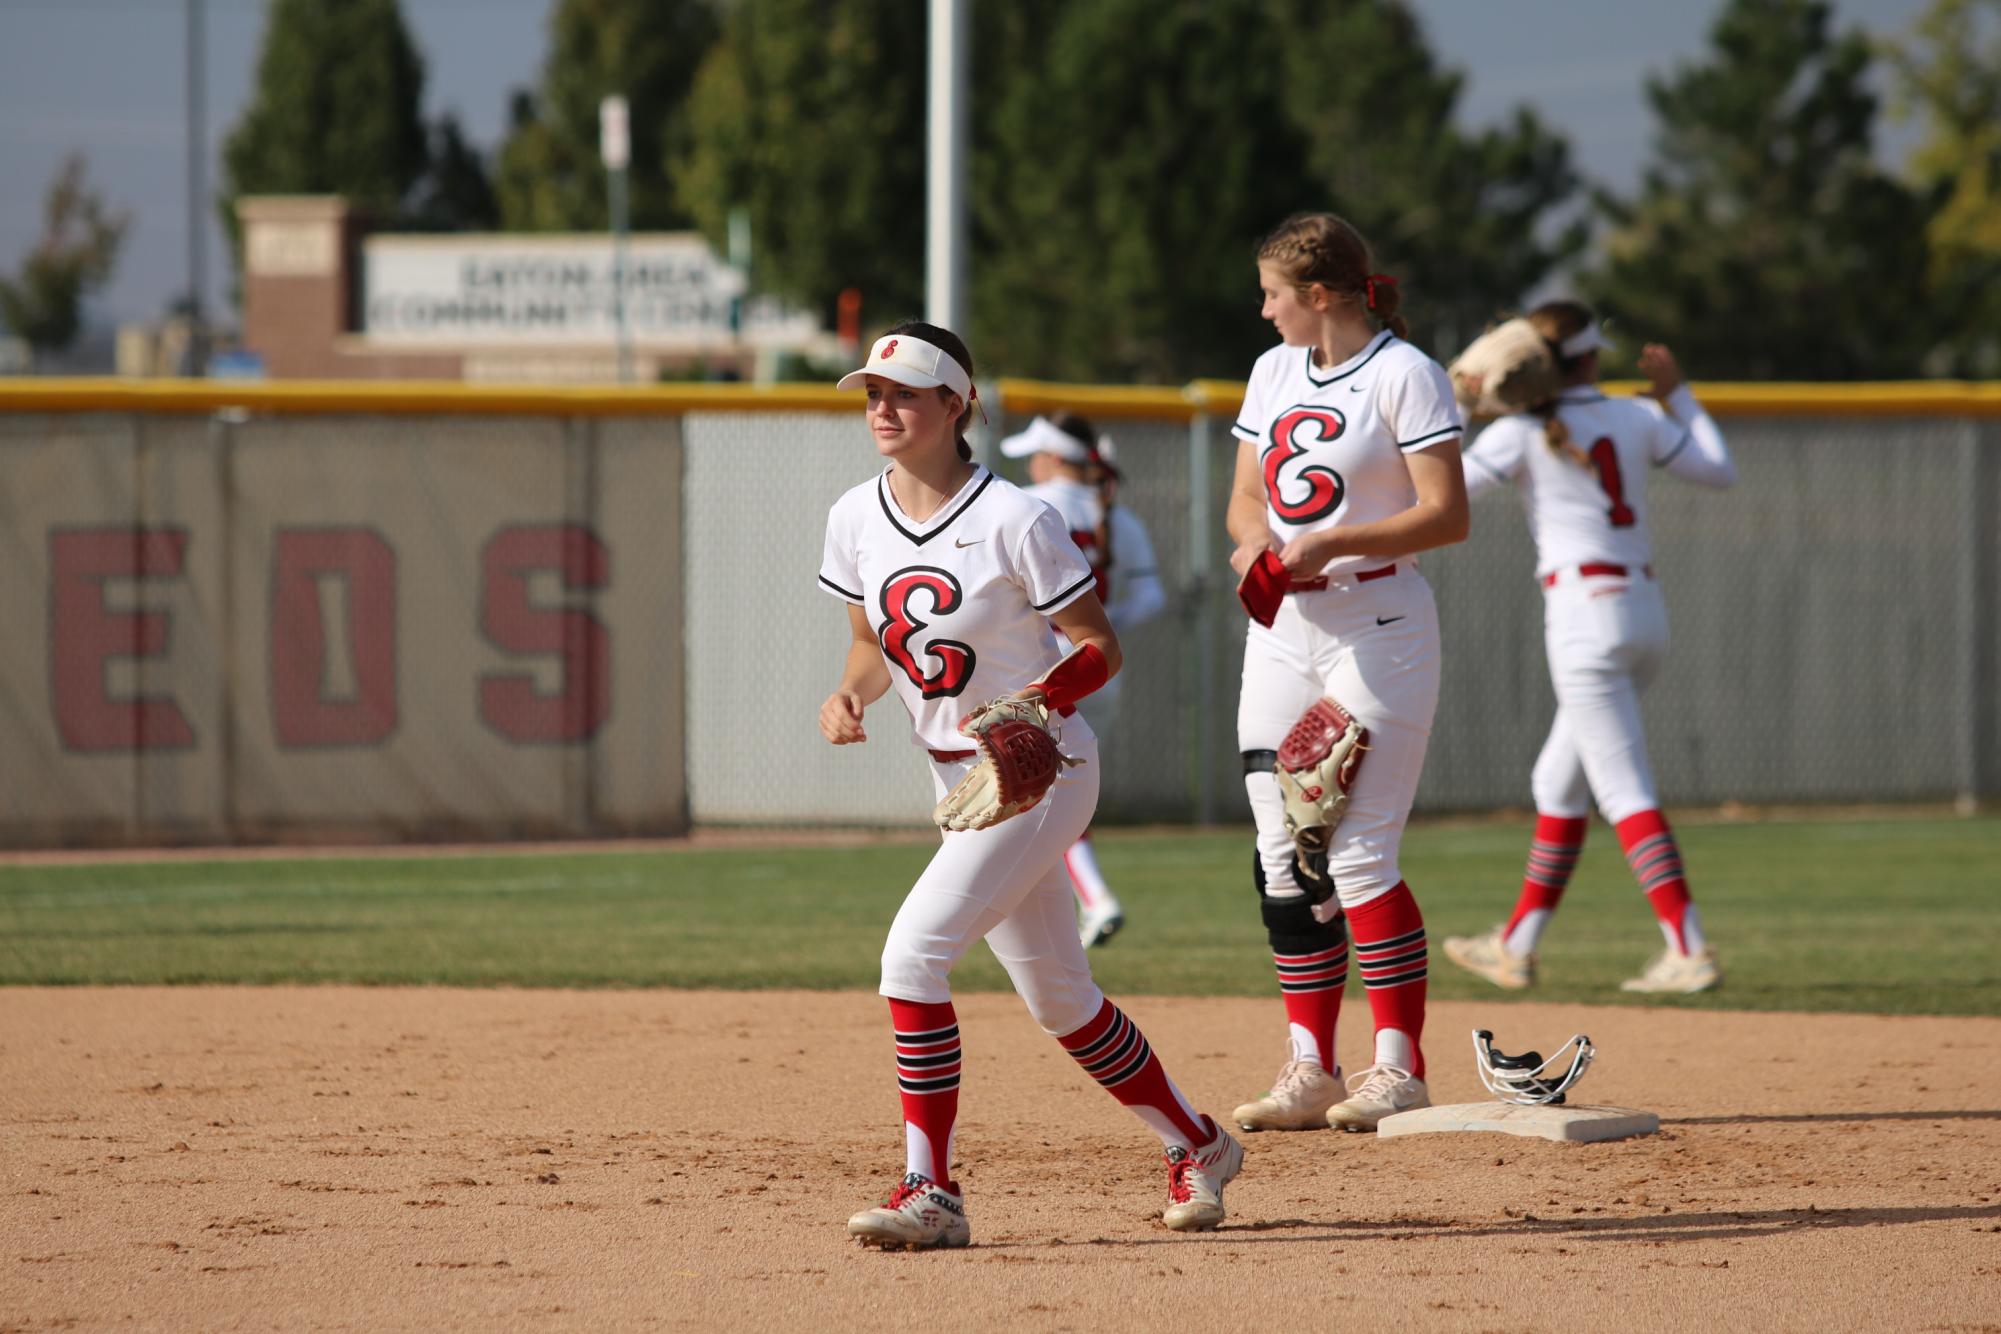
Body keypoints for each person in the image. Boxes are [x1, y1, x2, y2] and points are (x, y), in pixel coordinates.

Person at [819, 320, 1244, 1249]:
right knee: (1059, 996)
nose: (881, 407)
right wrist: (848, 695)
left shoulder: (1015, 516)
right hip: (963, 783)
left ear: (956, 404)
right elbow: (868, 643)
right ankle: (1198, 1142)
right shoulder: (855, 515)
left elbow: (1100, 647)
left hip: (1044, 769)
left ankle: (929, 1190)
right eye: (872, 392)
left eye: (904, 392)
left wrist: (1030, 708)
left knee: (911, 957)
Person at [1223, 214, 1469, 1135]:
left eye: (1273, 293)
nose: (1263, 310)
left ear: (1320, 294)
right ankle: (1309, 1066)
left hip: (1378, 621)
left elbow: (1445, 515)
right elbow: (1247, 496)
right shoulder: (1273, 370)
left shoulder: (1406, 374)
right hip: (1287, 625)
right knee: (1281, 851)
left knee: (1357, 851)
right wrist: (1259, 547)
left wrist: (1327, 544)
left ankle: (1397, 1069)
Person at [1442, 301, 1737, 995]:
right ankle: (1514, 944)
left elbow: (1442, 491)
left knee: (1622, 788)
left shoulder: (1517, 432)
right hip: (1643, 613)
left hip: (1582, 617)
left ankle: (1687, 947)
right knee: (1557, 782)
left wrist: (1458, 403)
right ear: (1590, 355)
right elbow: (1718, 470)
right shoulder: (1636, 416)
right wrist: (1678, 396)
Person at [1000, 413, 1167, 948]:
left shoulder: (1023, 503)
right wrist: (1099, 633)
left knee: (1038, 795)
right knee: (1057, 794)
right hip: (1099, 666)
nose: (1031, 461)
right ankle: (1065, 909)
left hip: (1038, 672)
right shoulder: (1116, 516)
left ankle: (1092, 901)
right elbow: (1148, 597)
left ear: (1051, 455)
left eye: (1036, 451)